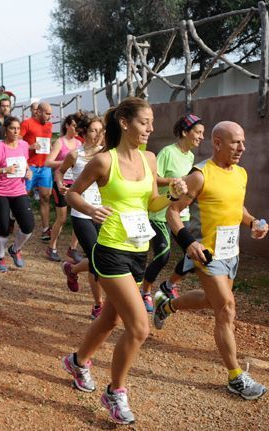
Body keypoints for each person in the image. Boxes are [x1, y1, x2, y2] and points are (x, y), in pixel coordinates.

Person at [61, 97, 185, 425]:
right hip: (110, 250)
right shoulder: (104, 161)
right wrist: (89, 209)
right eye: (145, 122)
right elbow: (71, 192)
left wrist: (173, 195)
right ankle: (116, 392)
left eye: (152, 122)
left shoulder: (149, 159)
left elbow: (152, 203)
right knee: (139, 327)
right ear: (126, 123)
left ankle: (77, 360)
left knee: (110, 321)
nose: (151, 128)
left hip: (136, 249)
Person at [153, 120, 269, 401]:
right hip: (207, 254)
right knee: (226, 309)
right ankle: (235, 376)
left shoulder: (241, 173)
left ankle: (167, 306)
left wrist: (253, 221)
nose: (241, 147)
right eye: (235, 142)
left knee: (211, 300)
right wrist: (188, 243)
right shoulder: (200, 175)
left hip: (232, 253)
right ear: (217, 143)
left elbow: (235, 206)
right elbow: (172, 211)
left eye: (242, 142)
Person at [140, 114, 204, 312]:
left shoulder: (191, 157)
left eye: (203, 133)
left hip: (180, 215)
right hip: (160, 215)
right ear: (185, 132)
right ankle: (145, 291)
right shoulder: (168, 152)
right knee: (163, 255)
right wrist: (172, 181)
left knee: (194, 254)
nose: (201, 137)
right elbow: (154, 178)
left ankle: (169, 285)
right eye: (198, 132)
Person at [57, 114, 105, 319]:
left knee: (102, 257)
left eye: (101, 130)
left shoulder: (107, 154)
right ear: (84, 133)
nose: (98, 134)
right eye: (94, 130)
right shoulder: (75, 155)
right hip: (82, 212)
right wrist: (60, 184)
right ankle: (98, 305)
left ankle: (73, 269)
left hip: (104, 212)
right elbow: (60, 171)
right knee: (96, 259)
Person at [0, 117, 34, 272]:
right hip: (0, 192)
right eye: (13, 128)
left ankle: (15, 249)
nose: (16, 131)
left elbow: (25, 164)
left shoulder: (24, 145)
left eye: (18, 128)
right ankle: (0, 258)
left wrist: (28, 172)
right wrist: (4, 170)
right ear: (5, 129)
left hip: (19, 191)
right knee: (3, 228)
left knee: (28, 226)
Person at [45, 113, 82, 261]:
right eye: (73, 125)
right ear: (67, 125)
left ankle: (73, 248)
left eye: (78, 126)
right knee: (62, 218)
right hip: (61, 183)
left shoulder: (79, 144)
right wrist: (65, 163)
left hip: (76, 183)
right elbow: (48, 162)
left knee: (80, 217)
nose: (76, 128)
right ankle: (51, 247)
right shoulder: (60, 142)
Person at [21, 102, 54, 241]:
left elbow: (47, 141)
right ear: (38, 112)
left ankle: (45, 229)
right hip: (30, 166)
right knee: (24, 196)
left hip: (45, 166)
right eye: (47, 113)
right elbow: (17, 143)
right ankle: (14, 220)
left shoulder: (49, 126)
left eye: (51, 114)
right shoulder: (26, 123)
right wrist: (30, 146)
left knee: (45, 197)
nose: (49, 117)